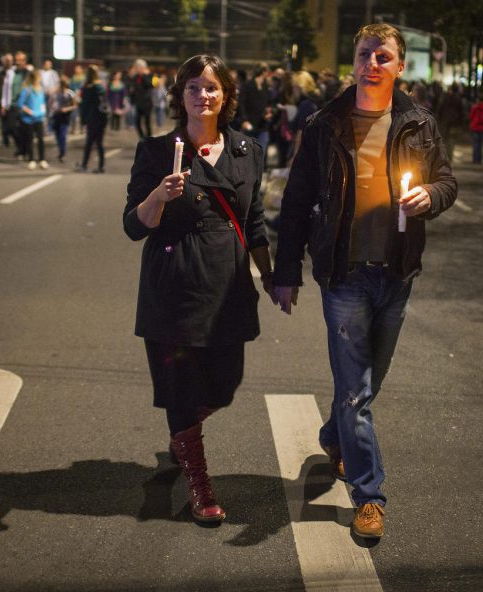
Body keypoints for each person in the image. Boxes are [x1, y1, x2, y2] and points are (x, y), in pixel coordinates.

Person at [272, 23, 457, 540]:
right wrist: (286, 273)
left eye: (382, 56)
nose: (372, 63)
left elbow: (446, 180)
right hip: (344, 274)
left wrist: (431, 199)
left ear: (400, 67)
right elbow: (293, 204)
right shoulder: (325, 125)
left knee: (368, 385)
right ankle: (369, 496)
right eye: (363, 55)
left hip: (397, 273)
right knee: (356, 391)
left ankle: (334, 437)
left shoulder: (418, 123)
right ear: (352, 63)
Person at [123, 54, 273, 524]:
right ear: (179, 94)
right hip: (175, 286)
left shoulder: (248, 150)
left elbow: (254, 221)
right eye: (193, 87)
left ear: (225, 95)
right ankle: (198, 482)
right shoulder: (156, 151)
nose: (203, 95)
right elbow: (133, 226)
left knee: (225, 384)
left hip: (227, 286)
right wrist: (158, 197)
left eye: (212, 87)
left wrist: (272, 277)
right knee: (183, 387)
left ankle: (181, 428)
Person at [75, 65, 109, 173]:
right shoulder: (100, 87)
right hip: (101, 117)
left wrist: (83, 120)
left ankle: (84, 164)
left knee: (89, 142)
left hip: (92, 117)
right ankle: (101, 166)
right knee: (99, 142)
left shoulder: (87, 88)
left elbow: (84, 105)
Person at [2, 51, 32, 160]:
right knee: (10, 128)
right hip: (13, 104)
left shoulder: (29, 73)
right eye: (17, 60)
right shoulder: (11, 72)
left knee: (25, 129)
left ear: (25, 61)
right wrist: (4, 104)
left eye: (20, 60)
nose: (18, 62)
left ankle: (25, 151)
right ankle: (20, 147)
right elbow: (5, 89)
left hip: (25, 105)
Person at [16, 69, 48, 170]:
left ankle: (42, 160)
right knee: (29, 140)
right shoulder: (27, 90)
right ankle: (32, 160)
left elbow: (42, 102)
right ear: (35, 78)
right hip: (28, 120)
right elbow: (20, 104)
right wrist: (29, 112)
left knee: (41, 140)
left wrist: (43, 111)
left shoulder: (41, 89)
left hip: (39, 118)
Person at [238, 62, 272, 149]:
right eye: (267, 71)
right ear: (263, 71)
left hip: (263, 125)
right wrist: (244, 120)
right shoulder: (247, 85)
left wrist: (269, 112)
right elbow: (241, 103)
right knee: (248, 153)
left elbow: (268, 103)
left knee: (261, 153)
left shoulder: (266, 86)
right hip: (250, 124)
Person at [50, 74, 78, 163]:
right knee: (57, 135)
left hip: (65, 117)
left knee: (63, 135)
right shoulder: (56, 92)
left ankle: (63, 153)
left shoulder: (70, 92)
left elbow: (75, 105)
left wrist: (66, 109)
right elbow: (51, 102)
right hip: (56, 115)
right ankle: (61, 151)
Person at [436, 82, 465, 162]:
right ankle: (449, 157)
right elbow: (461, 112)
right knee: (451, 140)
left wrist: (438, 120)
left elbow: (440, 110)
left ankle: (445, 157)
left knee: (445, 140)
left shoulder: (445, 98)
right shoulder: (458, 99)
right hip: (454, 123)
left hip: (445, 122)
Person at [0, 53, 13, 148]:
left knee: (12, 122)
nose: (8, 62)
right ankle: (5, 140)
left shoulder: (15, 71)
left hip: (13, 101)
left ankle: (14, 139)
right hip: (1, 101)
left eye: (10, 60)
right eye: (6, 60)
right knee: (3, 121)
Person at [130, 59, 154, 139]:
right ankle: (142, 138)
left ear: (142, 68)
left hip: (147, 103)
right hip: (138, 103)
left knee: (147, 123)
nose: (135, 69)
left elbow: (150, 85)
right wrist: (132, 99)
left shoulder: (149, 75)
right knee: (137, 123)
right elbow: (133, 88)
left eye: (136, 67)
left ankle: (149, 139)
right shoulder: (135, 77)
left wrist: (143, 75)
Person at [468, 91, 483, 164]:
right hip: (482, 127)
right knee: (480, 144)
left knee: (475, 144)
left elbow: (471, 116)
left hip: (475, 127)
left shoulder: (475, 107)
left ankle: (475, 159)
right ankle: (480, 159)